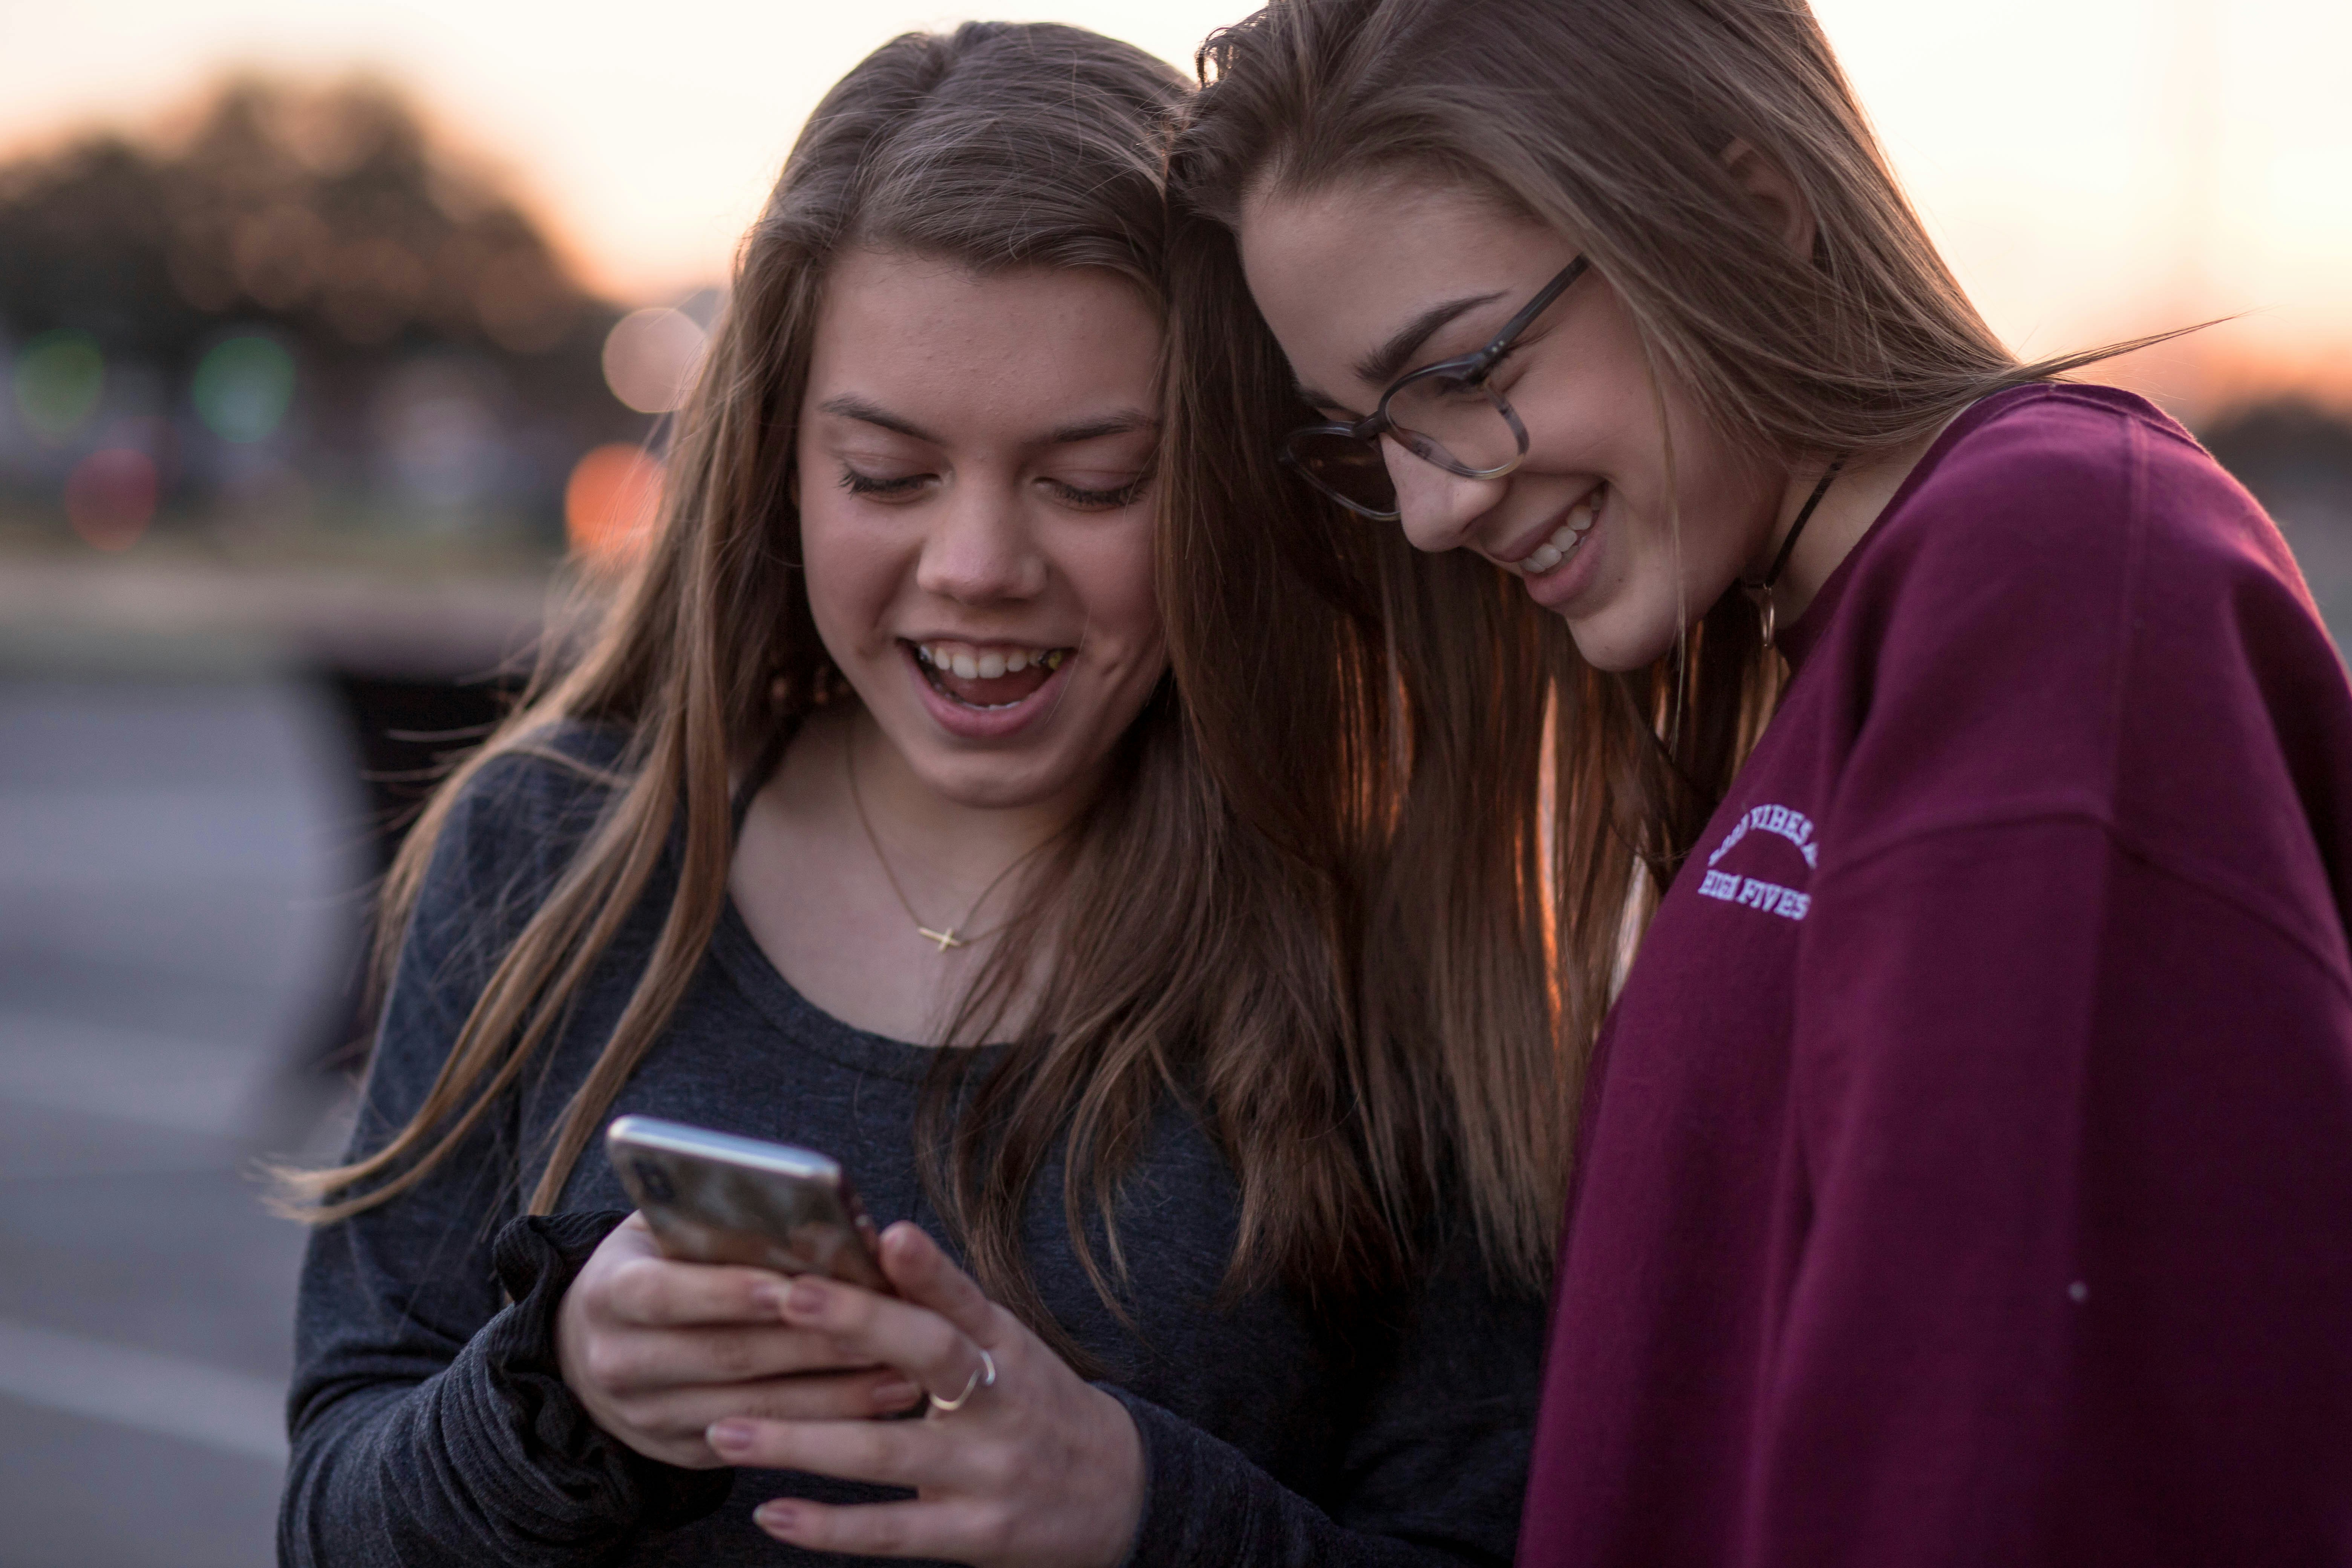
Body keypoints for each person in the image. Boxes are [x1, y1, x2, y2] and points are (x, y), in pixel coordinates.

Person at [275, 23, 1557, 1568]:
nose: (977, 566)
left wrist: (1142, 1512)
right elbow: (332, 1515)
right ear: (777, 472)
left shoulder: (1397, 942)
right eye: (888, 473)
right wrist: (556, 1397)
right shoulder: (554, 850)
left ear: (1238, 480)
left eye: (1094, 480)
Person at [1161, 1, 2352, 1562]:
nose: (1431, 508)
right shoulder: (1851, 646)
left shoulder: (2049, 572)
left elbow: (2005, 1451)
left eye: (1458, 369)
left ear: (1746, 206)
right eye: (1361, 439)